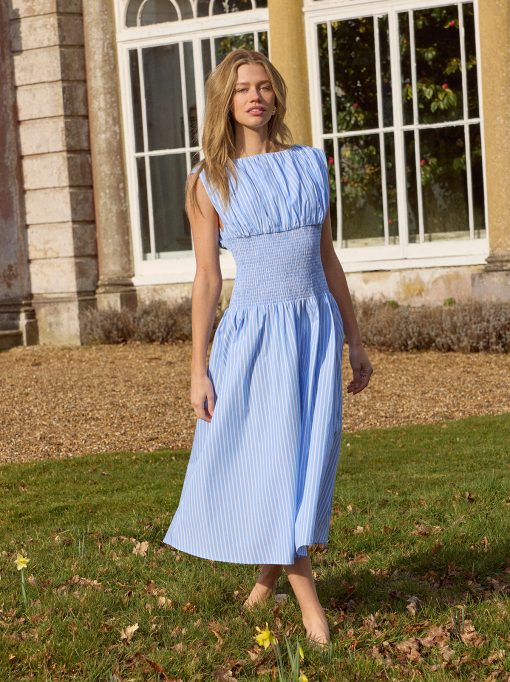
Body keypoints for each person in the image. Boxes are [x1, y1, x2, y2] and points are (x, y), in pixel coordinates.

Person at [163, 48, 373, 647]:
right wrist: (198, 368)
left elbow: (328, 259)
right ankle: (311, 606)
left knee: (305, 459)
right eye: (241, 88)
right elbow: (207, 279)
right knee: (276, 460)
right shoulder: (208, 180)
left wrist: (355, 340)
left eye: (262, 86)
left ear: (275, 94)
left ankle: (266, 578)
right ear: (224, 102)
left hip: (313, 332)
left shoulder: (309, 164)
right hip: (254, 338)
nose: (254, 96)